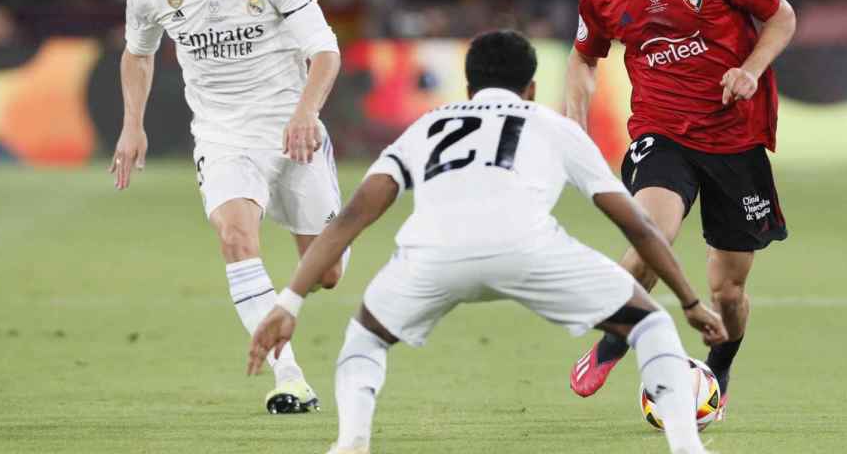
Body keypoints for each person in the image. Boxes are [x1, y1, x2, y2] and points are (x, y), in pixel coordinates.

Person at [248, 30, 729, 454]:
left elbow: (353, 216)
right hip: (528, 250)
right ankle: (686, 446)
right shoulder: (552, 124)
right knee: (650, 326)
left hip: (432, 254)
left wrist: (289, 301)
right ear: (532, 88)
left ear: (469, 85)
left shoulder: (428, 126)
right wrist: (689, 301)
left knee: (366, 338)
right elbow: (638, 225)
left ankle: (352, 441)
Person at [110, 0, 348, 414]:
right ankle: (290, 378)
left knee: (327, 274)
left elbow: (325, 52)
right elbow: (137, 54)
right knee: (237, 238)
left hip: (294, 128)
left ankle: (306, 222)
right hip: (223, 137)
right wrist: (133, 124)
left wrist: (307, 112)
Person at [565, 0, 797, 419]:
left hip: (735, 140)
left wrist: (749, 69)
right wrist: (575, 121)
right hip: (661, 132)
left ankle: (721, 363)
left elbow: (781, 17)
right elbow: (583, 58)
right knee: (651, 230)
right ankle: (616, 337)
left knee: (729, 292)